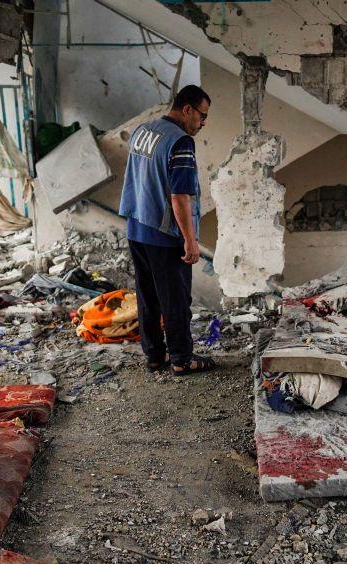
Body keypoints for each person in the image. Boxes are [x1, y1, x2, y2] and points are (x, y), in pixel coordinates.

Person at [119, 85, 215, 376]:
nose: (202, 123)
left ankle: (154, 355)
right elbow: (180, 196)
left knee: (148, 295)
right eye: (202, 115)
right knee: (175, 298)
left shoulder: (142, 132)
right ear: (187, 109)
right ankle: (182, 359)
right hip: (164, 234)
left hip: (137, 227)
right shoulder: (181, 142)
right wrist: (190, 240)